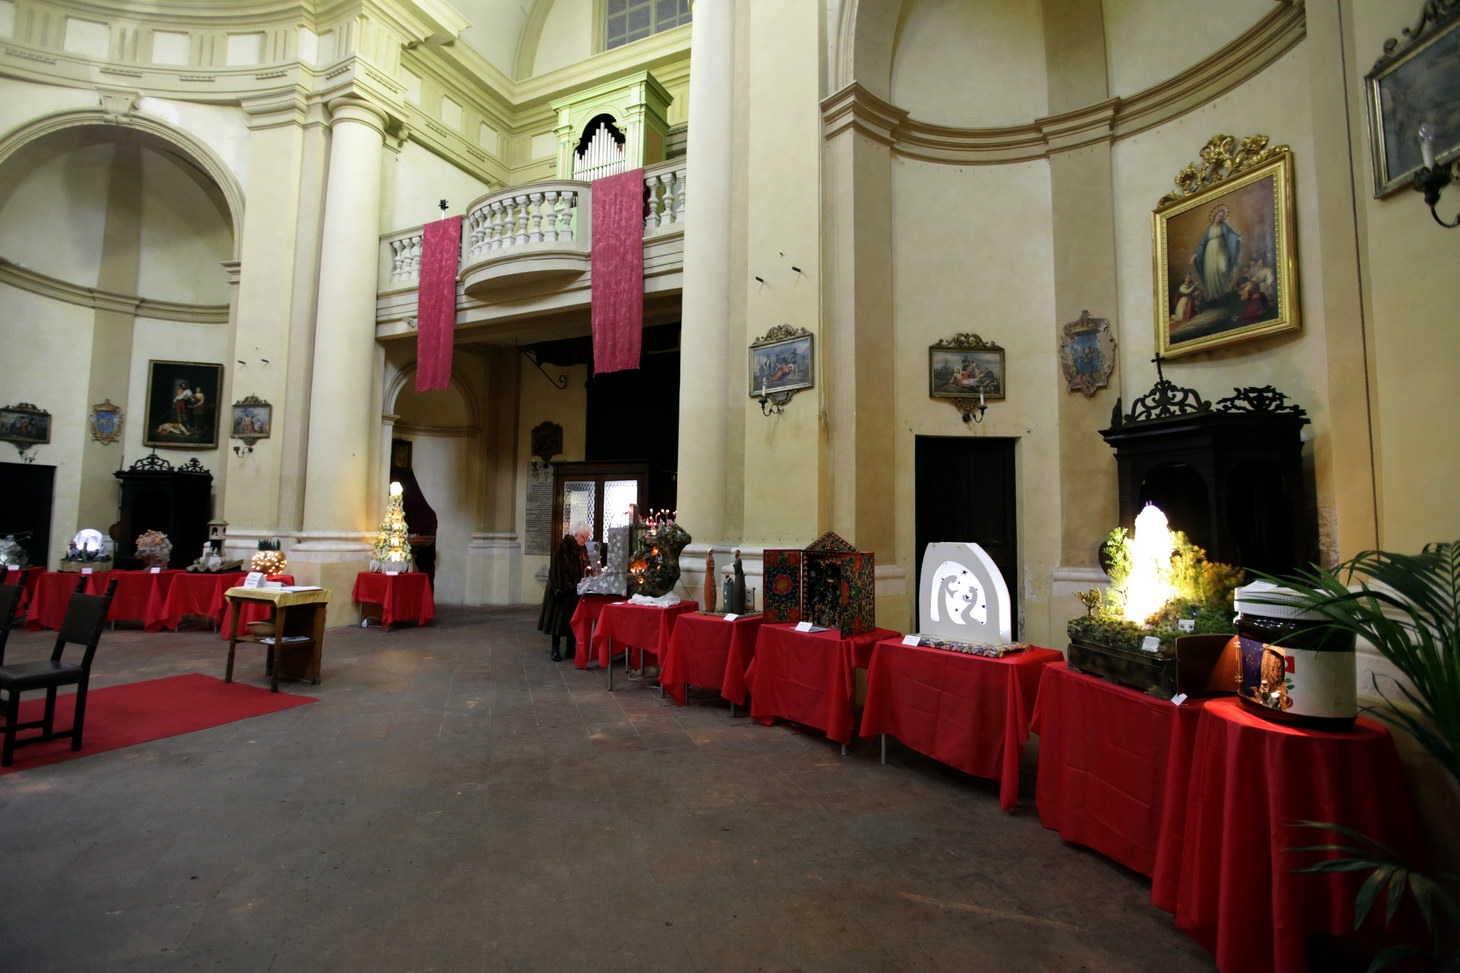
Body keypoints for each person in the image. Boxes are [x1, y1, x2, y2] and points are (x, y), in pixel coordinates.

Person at [539, 524, 590, 661]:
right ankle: (555, 649)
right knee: (558, 622)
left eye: (587, 537)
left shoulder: (582, 548)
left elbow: (585, 565)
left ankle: (570, 649)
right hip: (561, 590)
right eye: (584, 537)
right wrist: (567, 586)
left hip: (575, 590)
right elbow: (558, 570)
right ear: (576, 535)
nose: (585, 540)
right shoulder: (563, 548)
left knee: (572, 620)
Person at [1192, 203, 1241, 301]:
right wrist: (1196, 254)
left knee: (1223, 268)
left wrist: (1237, 238)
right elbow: (1202, 243)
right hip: (1209, 252)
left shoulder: (1223, 226)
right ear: (1215, 216)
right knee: (1212, 271)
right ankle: (1215, 294)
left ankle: (1223, 291)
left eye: (1222, 216)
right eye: (1219, 215)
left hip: (1221, 250)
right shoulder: (1209, 229)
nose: (1220, 218)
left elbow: (1231, 235)